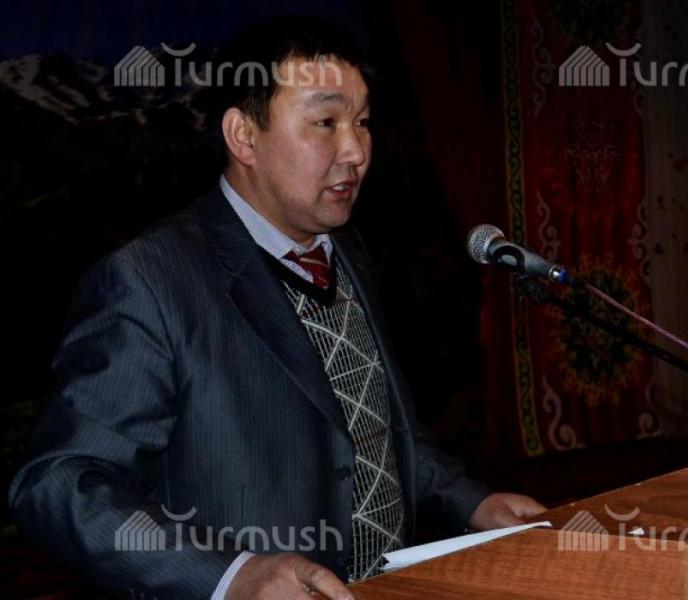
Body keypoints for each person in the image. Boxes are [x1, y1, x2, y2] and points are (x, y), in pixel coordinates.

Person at [8, 16, 545, 600]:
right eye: (325, 122)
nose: (355, 151)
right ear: (244, 137)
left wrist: (473, 503)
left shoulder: (345, 250)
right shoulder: (150, 281)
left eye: (363, 122)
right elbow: (59, 482)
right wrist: (230, 575)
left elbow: (376, 430)